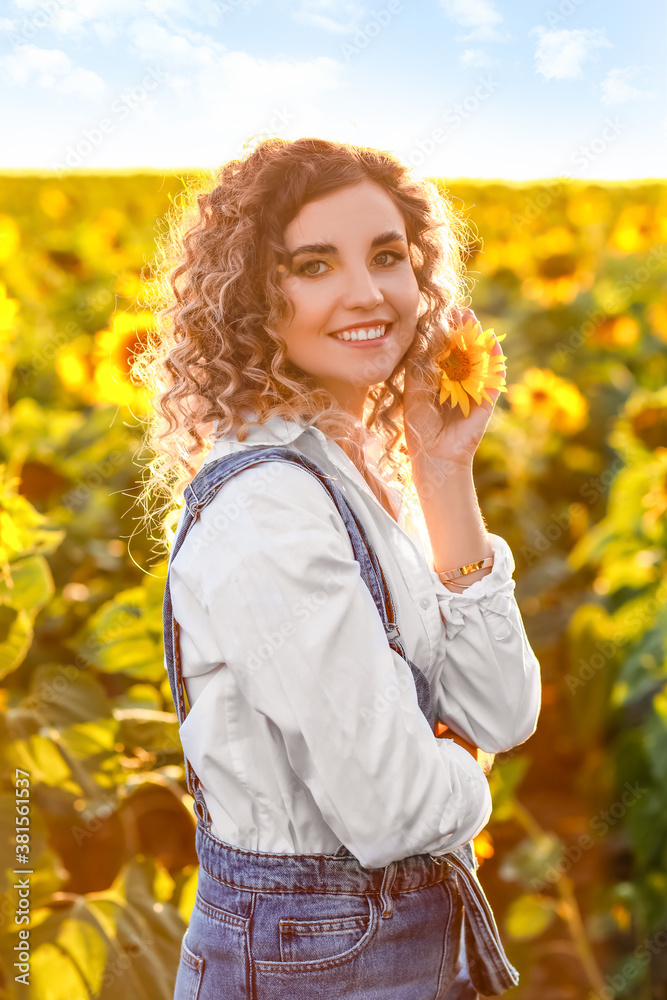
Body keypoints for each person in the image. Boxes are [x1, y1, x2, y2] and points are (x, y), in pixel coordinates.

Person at [135, 136, 542, 998]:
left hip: (375, 947)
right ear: (251, 298)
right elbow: (395, 806)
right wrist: (466, 770)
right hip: (315, 965)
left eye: (387, 256)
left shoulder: (356, 474)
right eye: (313, 264)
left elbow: (502, 710)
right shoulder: (269, 509)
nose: (367, 293)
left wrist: (442, 471)